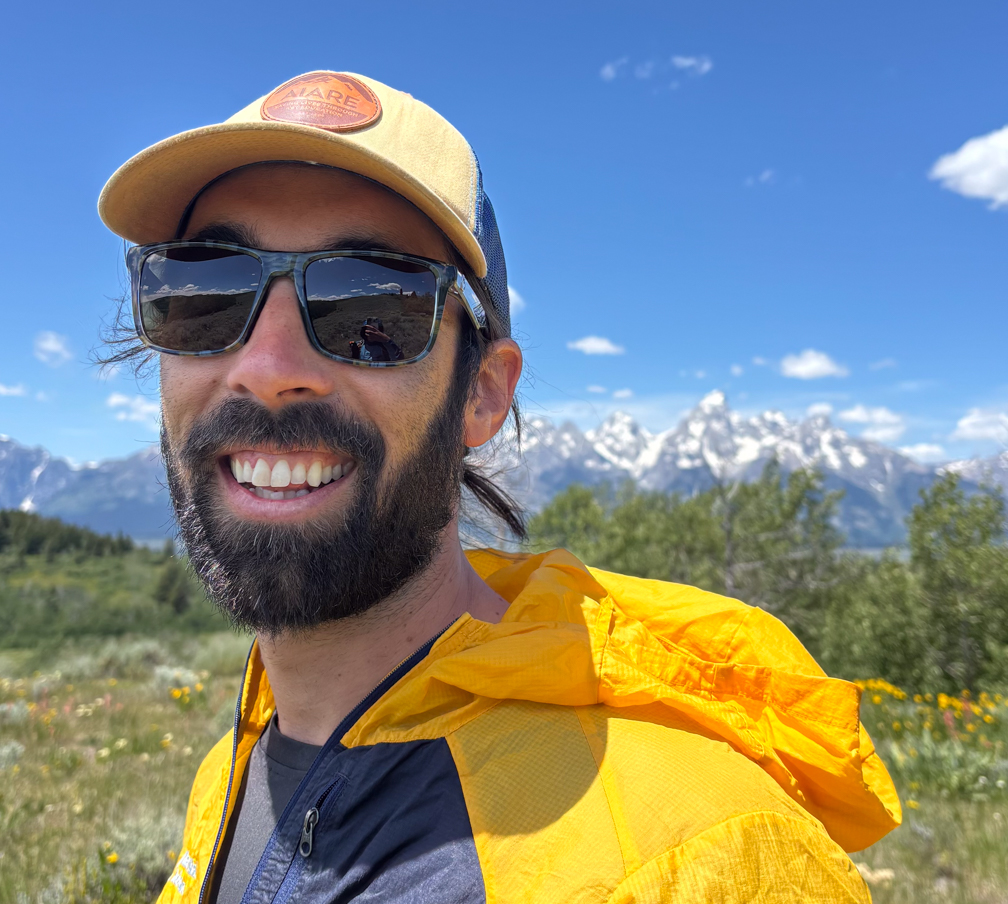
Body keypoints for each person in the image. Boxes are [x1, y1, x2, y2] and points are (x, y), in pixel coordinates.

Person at [98, 69, 900, 904]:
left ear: (482, 392)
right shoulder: (235, 768)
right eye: (202, 291)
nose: (266, 370)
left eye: (372, 309)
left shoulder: (701, 858)